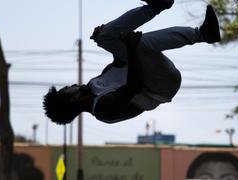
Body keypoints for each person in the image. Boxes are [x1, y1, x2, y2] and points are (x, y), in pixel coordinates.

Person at [43, 0, 221, 124]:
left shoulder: (94, 84)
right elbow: (134, 86)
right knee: (138, 45)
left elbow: (121, 63)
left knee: (105, 38)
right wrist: (130, 48)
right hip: (160, 87)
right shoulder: (103, 109)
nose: (71, 85)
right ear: (74, 99)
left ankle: (156, 6)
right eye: (67, 89)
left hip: (151, 75)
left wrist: (115, 45)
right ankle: (203, 34)